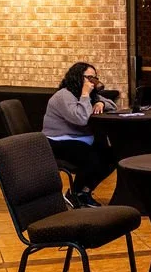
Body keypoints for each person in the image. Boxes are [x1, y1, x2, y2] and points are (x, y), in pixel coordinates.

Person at [43, 62, 118, 208]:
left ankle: (84, 192)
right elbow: (81, 118)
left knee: (112, 155)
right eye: (89, 78)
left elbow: (113, 105)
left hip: (80, 139)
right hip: (58, 140)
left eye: (95, 78)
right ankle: (75, 194)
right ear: (78, 77)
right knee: (92, 157)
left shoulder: (89, 95)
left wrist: (100, 103)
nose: (93, 82)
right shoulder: (63, 96)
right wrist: (85, 94)